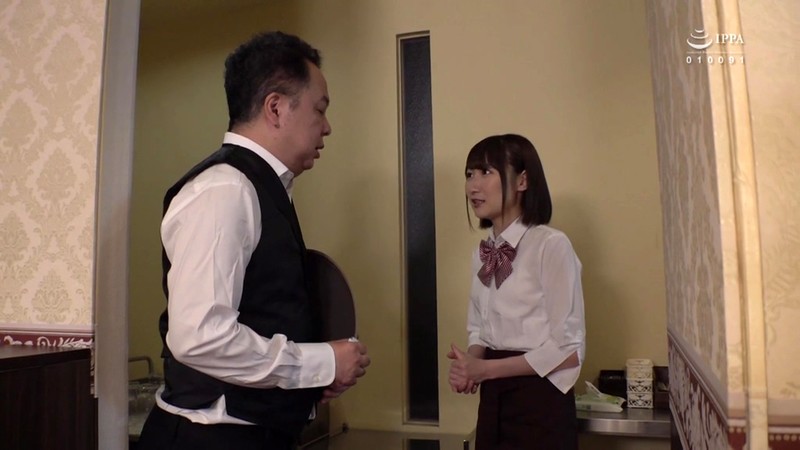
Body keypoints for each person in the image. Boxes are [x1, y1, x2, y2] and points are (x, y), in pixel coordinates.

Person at [137, 31, 370, 450]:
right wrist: (320, 362)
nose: (327, 127)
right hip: (209, 439)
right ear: (276, 108)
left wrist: (311, 381)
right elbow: (201, 336)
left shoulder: (260, 189)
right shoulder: (225, 190)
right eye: (319, 110)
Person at [447, 134, 585, 450]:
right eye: (469, 174)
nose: (473, 186)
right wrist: (470, 364)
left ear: (522, 181)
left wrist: (485, 369)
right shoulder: (481, 253)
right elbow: (479, 328)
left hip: (540, 403)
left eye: (486, 172)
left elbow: (568, 349)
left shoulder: (551, 245)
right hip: (493, 399)